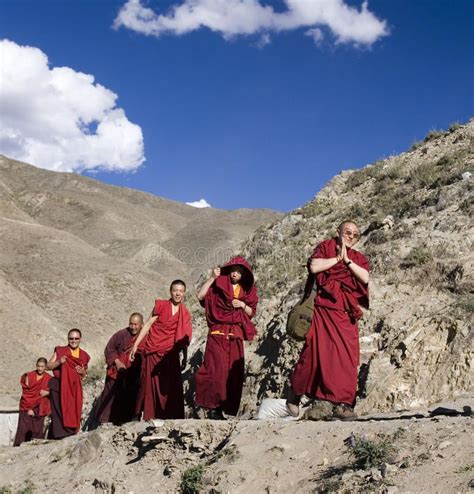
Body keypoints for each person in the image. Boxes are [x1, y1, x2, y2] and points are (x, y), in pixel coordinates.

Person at [287, 221, 370, 420]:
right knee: (316, 355)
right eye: (347, 232)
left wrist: (347, 261)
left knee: (347, 359)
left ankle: (343, 404)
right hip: (323, 311)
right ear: (338, 232)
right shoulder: (326, 247)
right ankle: (301, 395)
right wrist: (337, 258)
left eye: (355, 235)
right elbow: (315, 267)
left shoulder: (358, 258)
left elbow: (365, 278)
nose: (350, 236)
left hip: (346, 314)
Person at [195, 256, 259, 420]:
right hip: (218, 334)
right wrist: (212, 278)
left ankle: (224, 407)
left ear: (244, 274)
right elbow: (201, 296)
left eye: (239, 271)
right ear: (229, 271)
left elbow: (252, 312)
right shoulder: (217, 288)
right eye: (233, 270)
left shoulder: (246, 291)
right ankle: (212, 407)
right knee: (216, 370)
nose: (236, 273)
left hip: (235, 335)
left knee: (233, 372)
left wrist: (242, 305)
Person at [130, 280, 192, 420]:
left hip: (171, 354)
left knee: (172, 385)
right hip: (154, 350)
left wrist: (185, 356)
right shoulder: (161, 306)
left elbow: (184, 338)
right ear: (170, 291)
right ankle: (150, 415)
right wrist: (135, 345)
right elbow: (147, 325)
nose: (178, 293)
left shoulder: (185, 313)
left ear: (184, 293)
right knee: (150, 385)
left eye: (181, 291)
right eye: (175, 290)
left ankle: (171, 416)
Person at [95, 313, 144, 425]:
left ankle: (125, 422)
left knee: (129, 398)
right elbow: (109, 349)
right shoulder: (121, 334)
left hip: (133, 373)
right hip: (117, 371)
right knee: (110, 397)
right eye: (131, 324)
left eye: (136, 324)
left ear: (142, 324)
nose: (133, 327)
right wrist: (117, 362)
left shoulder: (144, 336)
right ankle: (104, 421)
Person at [47, 329, 90, 439]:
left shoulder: (84, 355)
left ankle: (70, 432)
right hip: (58, 385)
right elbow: (48, 366)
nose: (73, 341)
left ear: (80, 339)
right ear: (68, 339)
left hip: (74, 387)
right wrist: (58, 362)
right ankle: (60, 435)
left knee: (73, 409)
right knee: (59, 410)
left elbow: (85, 373)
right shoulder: (61, 351)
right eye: (71, 338)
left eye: (76, 338)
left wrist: (82, 372)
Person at [13, 357, 51, 446]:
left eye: (42, 367)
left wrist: (47, 393)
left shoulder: (49, 378)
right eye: (38, 366)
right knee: (23, 429)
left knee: (37, 429)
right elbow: (26, 392)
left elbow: (53, 393)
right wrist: (29, 407)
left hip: (39, 408)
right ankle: (18, 446)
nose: (40, 369)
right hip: (26, 406)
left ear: (45, 367)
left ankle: (36, 448)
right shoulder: (29, 376)